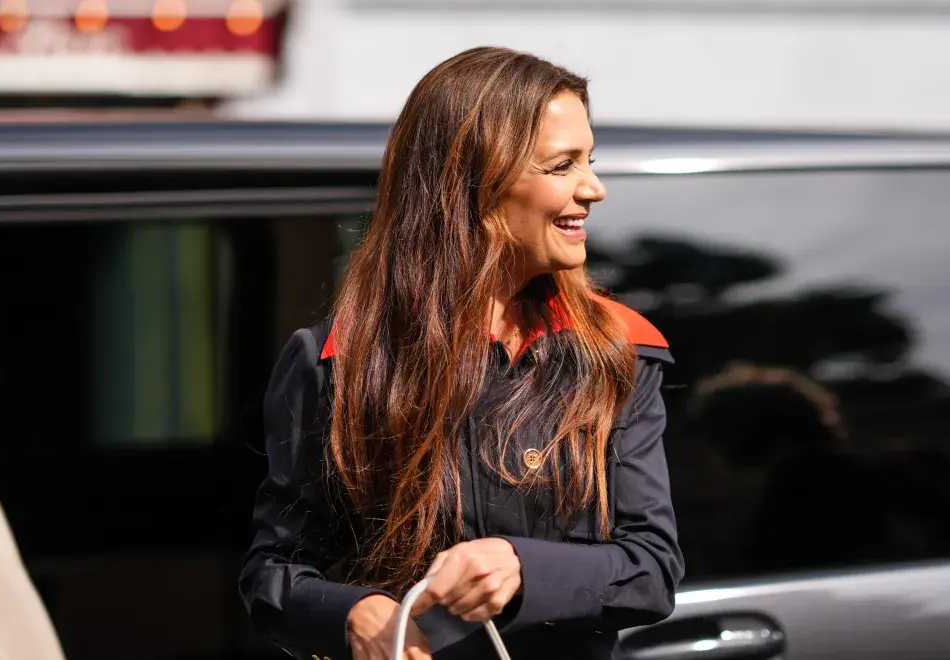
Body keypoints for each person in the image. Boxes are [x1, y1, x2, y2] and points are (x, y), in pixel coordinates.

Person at [239, 46, 684, 660]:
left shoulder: (617, 349)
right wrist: (355, 614)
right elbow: (273, 573)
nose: (595, 188)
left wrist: (520, 566)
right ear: (476, 183)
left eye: (590, 160)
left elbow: (653, 568)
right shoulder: (333, 361)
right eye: (563, 165)